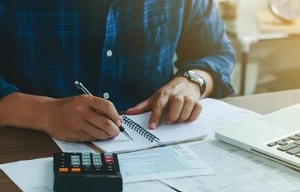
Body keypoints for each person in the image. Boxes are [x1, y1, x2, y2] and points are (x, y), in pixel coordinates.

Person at [0, 0, 235, 142]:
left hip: (155, 144)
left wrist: (191, 82)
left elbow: (216, 52)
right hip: (30, 148)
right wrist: (45, 113)